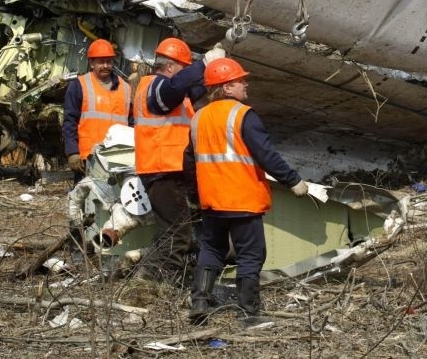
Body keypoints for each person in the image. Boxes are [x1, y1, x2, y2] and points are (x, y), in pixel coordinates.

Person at [184, 57, 312, 325]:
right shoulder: (243, 115)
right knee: (251, 254)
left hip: (212, 201)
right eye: (240, 80)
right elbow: (266, 155)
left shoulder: (198, 118)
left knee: (211, 249)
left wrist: (195, 195)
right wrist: (293, 181)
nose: (246, 83)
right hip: (242, 199)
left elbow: (189, 161)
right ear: (226, 87)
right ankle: (248, 313)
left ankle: (199, 302)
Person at [132, 36, 222, 284]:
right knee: (178, 232)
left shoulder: (171, 92)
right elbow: (174, 89)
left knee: (171, 229)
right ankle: (165, 286)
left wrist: (213, 69)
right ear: (170, 66)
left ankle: (149, 277)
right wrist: (203, 63)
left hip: (171, 170)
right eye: (184, 67)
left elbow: (193, 91)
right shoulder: (156, 87)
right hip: (162, 170)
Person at [62, 39, 133, 183]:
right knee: (87, 202)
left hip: (119, 158)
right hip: (88, 159)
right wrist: (73, 152)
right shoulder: (79, 85)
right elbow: (70, 121)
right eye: (101, 62)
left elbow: (132, 124)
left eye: (109, 61)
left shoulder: (126, 88)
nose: (106, 66)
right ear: (91, 63)